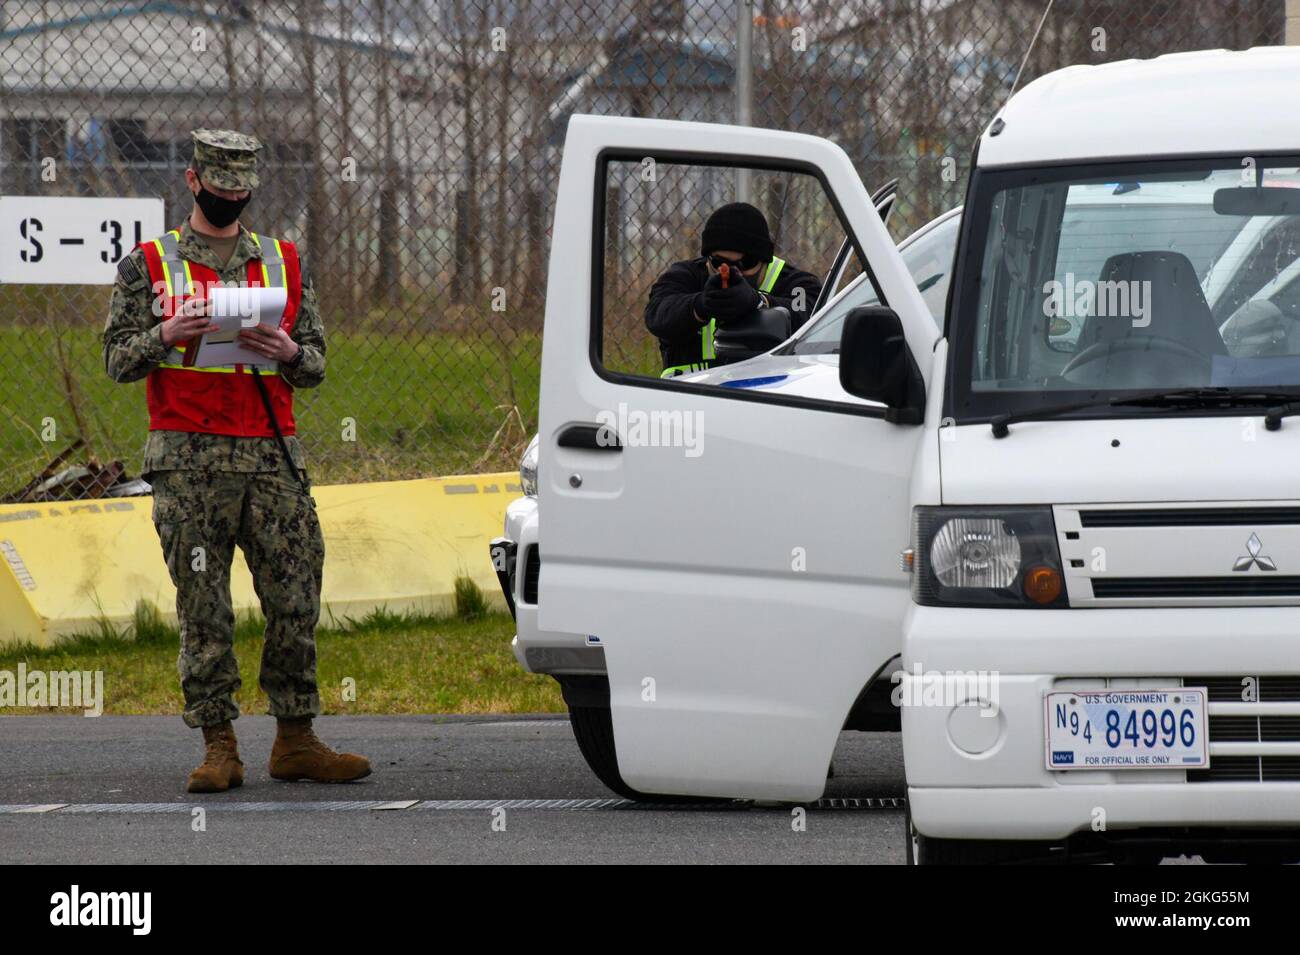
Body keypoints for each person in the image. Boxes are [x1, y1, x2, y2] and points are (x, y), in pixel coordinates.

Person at [103, 129, 371, 793]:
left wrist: (284, 350)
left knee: (294, 596)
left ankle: (297, 739)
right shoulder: (149, 263)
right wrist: (166, 333)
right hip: (188, 462)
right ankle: (218, 743)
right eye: (218, 189)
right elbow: (117, 359)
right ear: (193, 182)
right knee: (205, 608)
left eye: (240, 192)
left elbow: (314, 364)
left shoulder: (280, 260)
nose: (229, 200)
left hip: (271, 457)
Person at [644, 202, 823, 377]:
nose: (732, 272)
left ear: (764, 260)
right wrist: (701, 306)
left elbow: (813, 319)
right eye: (720, 263)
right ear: (708, 259)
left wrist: (759, 302)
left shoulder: (796, 283)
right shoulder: (685, 275)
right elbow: (657, 313)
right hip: (689, 396)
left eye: (746, 263)